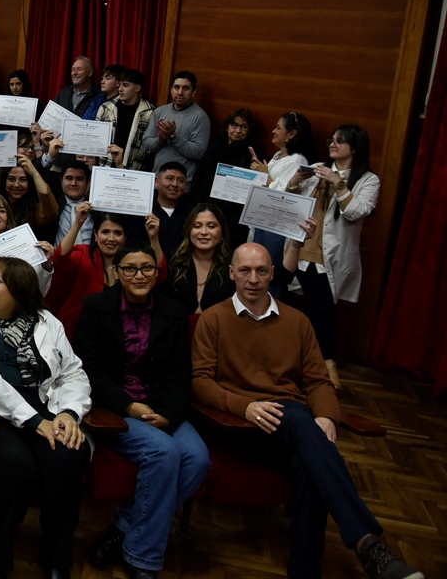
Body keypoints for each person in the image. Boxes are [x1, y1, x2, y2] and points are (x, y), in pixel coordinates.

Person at [191, 244, 423, 579]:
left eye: (261, 271)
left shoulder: (297, 321)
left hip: (292, 428)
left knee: (307, 464)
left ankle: (305, 570)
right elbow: (199, 382)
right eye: (245, 271)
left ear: (273, 273)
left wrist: (327, 416)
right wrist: (247, 406)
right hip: (241, 426)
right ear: (232, 274)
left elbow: (318, 380)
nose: (253, 279)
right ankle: (367, 544)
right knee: (302, 423)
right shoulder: (213, 318)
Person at [74, 241, 208, 579]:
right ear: (117, 273)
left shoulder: (174, 311)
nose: (139, 275)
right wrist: (128, 405)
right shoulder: (95, 307)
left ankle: (124, 524)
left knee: (197, 459)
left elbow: (180, 372)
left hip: (163, 408)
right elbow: (88, 369)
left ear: (156, 271)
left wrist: (170, 414)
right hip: (113, 409)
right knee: (164, 452)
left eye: (147, 268)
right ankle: (142, 558)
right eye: (130, 268)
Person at [0, 256, 91, 579]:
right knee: (13, 462)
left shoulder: (46, 321)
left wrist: (70, 412)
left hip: (44, 410)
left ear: (20, 290)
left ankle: (58, 558)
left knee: (69, 455)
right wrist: (32, 421)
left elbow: (73, 374)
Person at [286, 124, 380, 390]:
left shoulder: (368, 180)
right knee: (311, 310)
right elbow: (291, 206)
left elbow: (356, 212)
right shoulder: (316, 169)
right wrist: (294, 185)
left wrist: (337, 183)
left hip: (329, 255)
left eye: (340, 141)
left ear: (355, 147)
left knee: (321, 310)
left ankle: (323, 366)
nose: (333, 144)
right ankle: (318, 365)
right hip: (300, 249)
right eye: (332, 139)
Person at [249, 111, 314, 295]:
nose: (273, 131)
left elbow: (285, 198)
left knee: (271, 273)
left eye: (279, 127)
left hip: (277, 228)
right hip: (261, 221)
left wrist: (265, 174)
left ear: (292, 134)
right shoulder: (278, 155)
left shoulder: (297, 160)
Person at [195, 107, 256, 248]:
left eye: (243, 127)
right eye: (234, 125)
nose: (238, 131)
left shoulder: (250, 154)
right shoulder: (215, 146)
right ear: (227, 126)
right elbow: (200, 175)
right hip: (206, 207)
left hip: (232, 219)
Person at [163, 203, 235, 315]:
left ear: (222, 232)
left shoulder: (234, 263)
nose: (204, 232)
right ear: (188, 230)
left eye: (211, 226)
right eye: (197, 226)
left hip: (219, 329)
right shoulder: (172, 259)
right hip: (177, 329)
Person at [140, 71, 210, 184]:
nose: (180, 92)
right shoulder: (160, 111)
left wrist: (173, 136)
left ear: (193, 92)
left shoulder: (200, 117)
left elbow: (199, 153)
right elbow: (147, 145)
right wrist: (161, 139)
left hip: (182, 184)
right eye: (177, 87)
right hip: (158, 180)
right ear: (171, 90)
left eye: (186, 88)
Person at [97, 68, 155, 171]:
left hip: (134, 169)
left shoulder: (149, 113)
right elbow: (96, 137)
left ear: (137, 88)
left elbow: (149, 146)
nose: (120, 89)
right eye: (119, 85)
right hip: (106, 166)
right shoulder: (106, 108)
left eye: (126, 85)